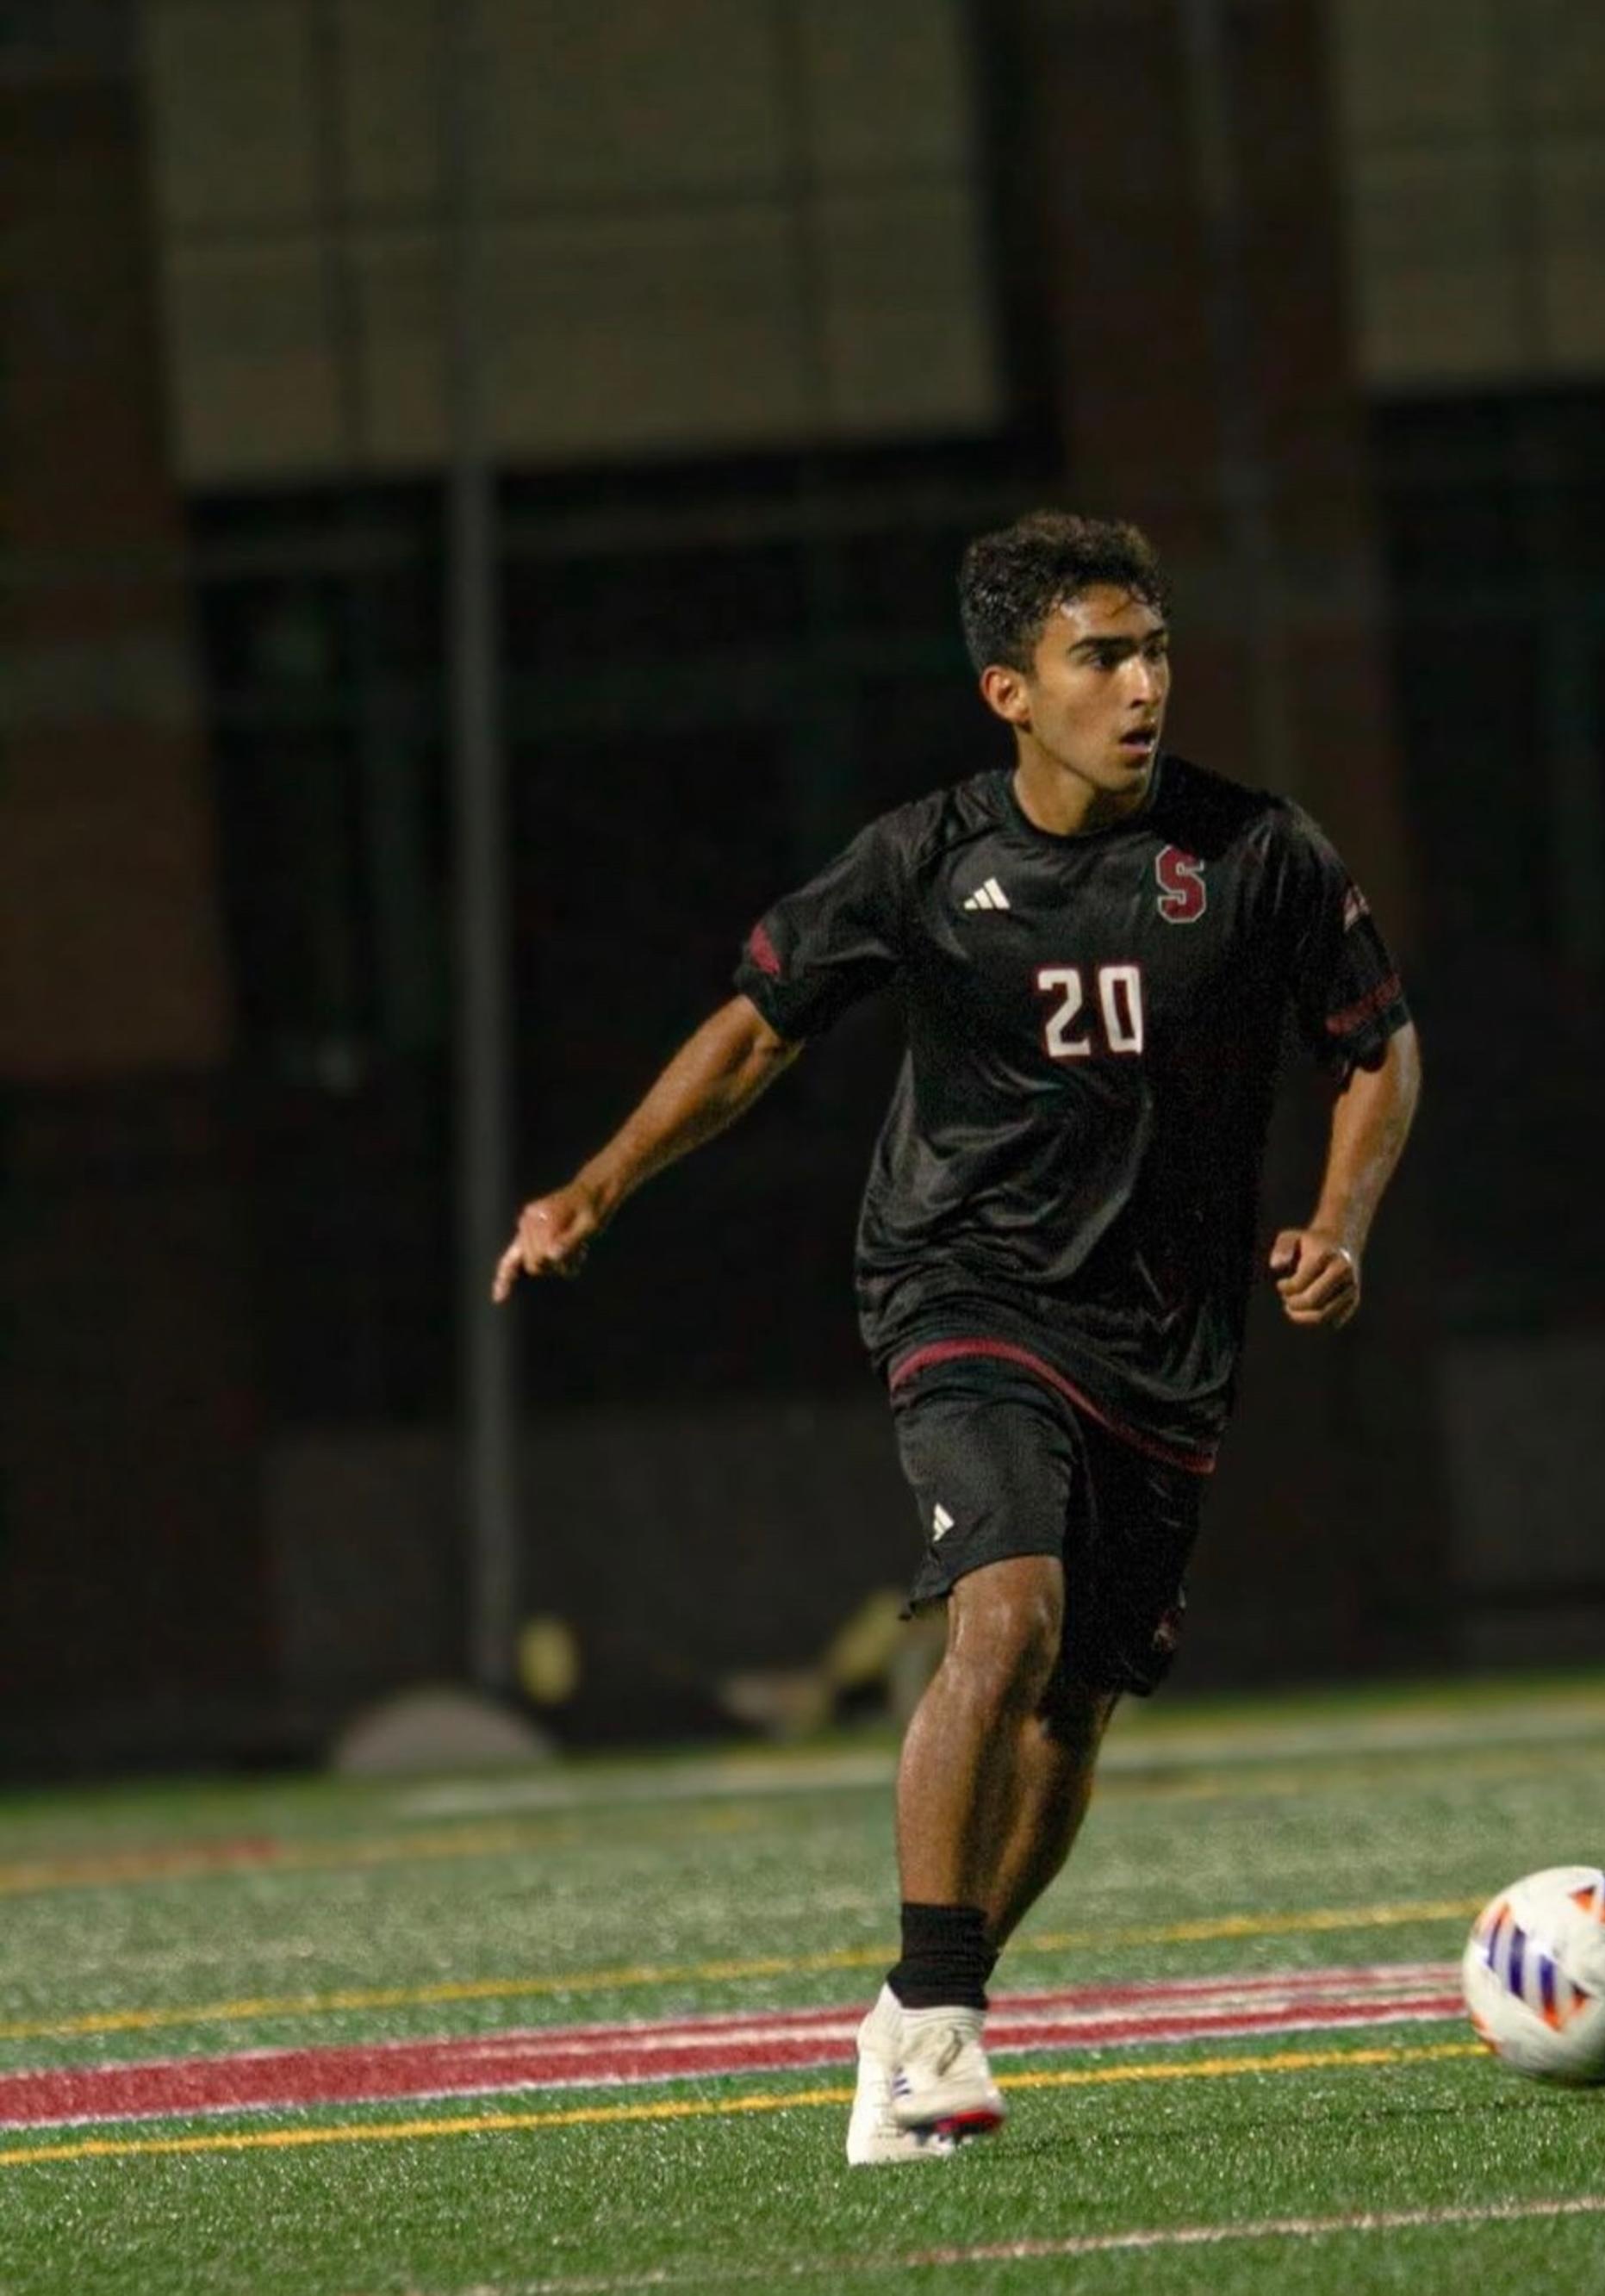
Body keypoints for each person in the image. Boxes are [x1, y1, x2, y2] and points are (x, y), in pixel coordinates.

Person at [493, 509, 1421, 2164]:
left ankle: (928, 2001)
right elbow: (755, 1034)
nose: (1143, 686)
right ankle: (932, 2024)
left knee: (1075, 1708)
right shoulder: (927, 861)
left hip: (1170, 1331)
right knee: (1004, 1613)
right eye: (1101, 658)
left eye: (1153, 650)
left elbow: (1378, 1047)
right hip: (965, 1290)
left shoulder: (1262, 853)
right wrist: (595, 1185)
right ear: (1011, 688)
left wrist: (1339, 1226)